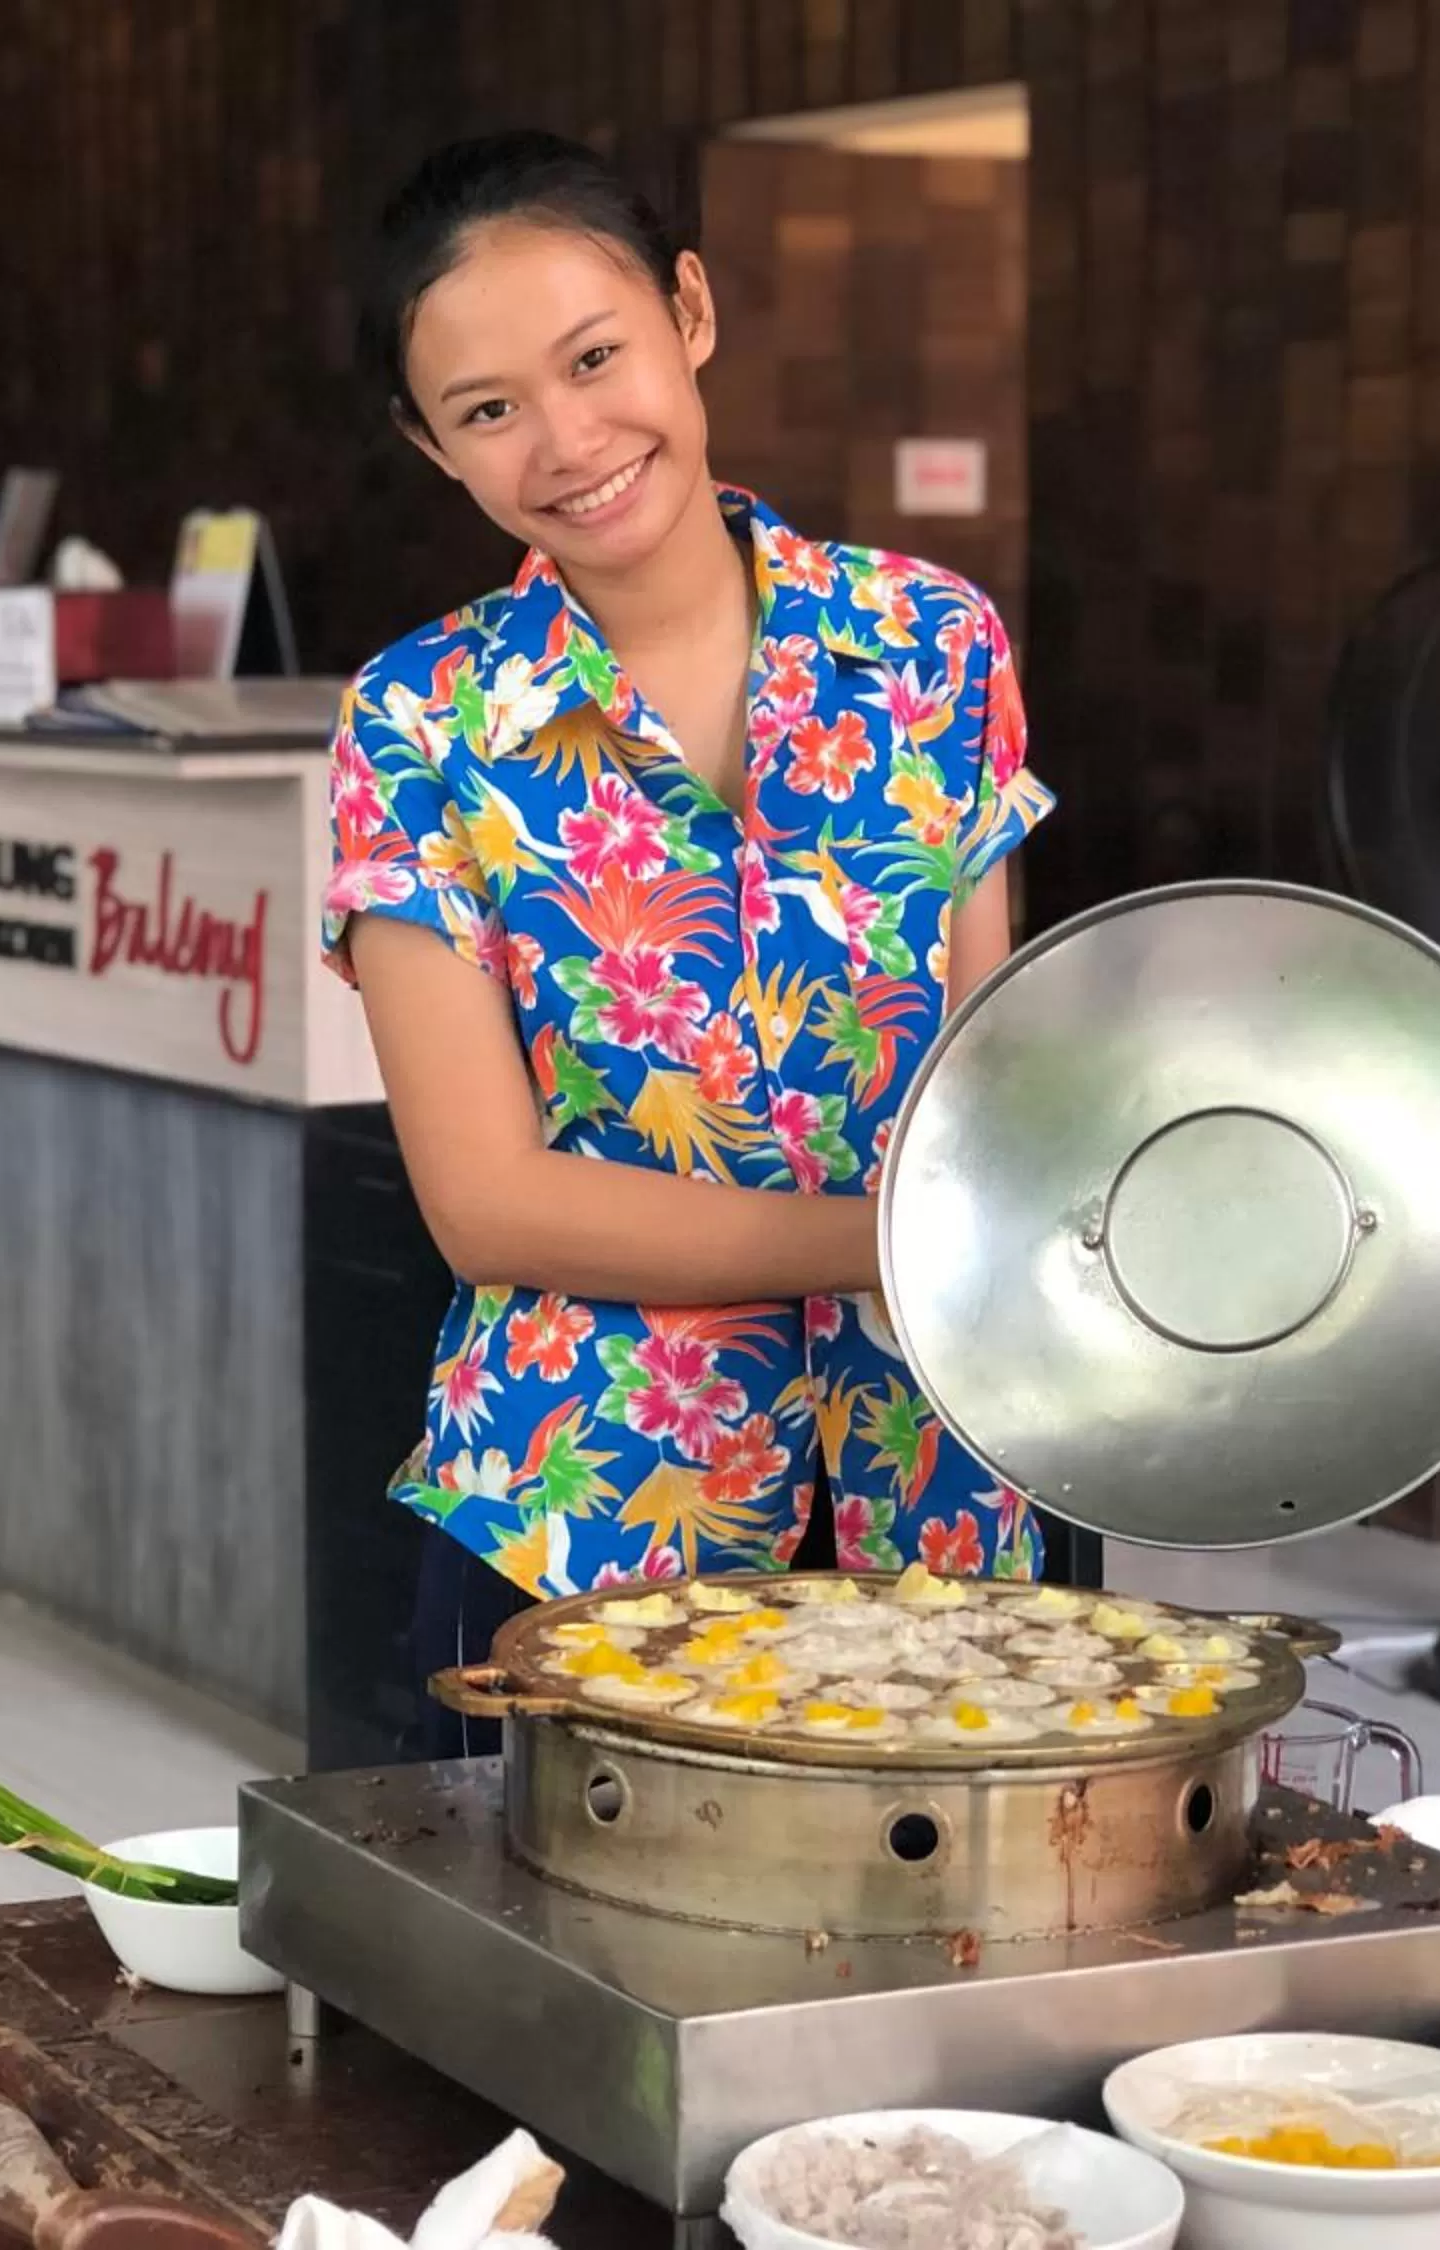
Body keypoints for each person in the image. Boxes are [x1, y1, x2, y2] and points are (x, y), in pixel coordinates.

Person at [319, 132, 1055, 1747]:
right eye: (489, 409)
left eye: (596, 358)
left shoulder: (932, 644)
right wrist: (904, 1243)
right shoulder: (422, 720)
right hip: (580, 1529)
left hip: (935, 1508)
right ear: (429, 445)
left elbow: (1002, 1084)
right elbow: (487, 1203)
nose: (570, 440)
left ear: (692, 312)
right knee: (559, 1990)